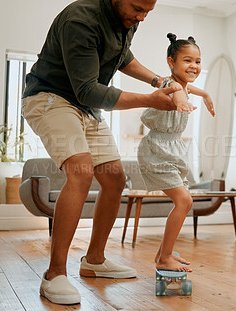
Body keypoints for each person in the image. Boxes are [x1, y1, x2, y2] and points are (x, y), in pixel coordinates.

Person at [21, 0, 184, 305]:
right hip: (51, 97)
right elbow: (89, 90)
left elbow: (123, 57)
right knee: (81, 171)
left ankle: (94, 261)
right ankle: (54, 274)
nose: (142, 17)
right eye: (137, 8)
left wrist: (158, 80)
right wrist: (150, 99)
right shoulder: (80, 20)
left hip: (85, 108)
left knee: (114, 179)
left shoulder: (127, 21)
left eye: (148, 11)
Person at [137, 33, 215, 272]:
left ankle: (163, 254)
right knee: (184, 200)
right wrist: (180, 101)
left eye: (198, 61)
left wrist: (206, 96)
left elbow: (190, 89)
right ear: (171, 62)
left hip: (171, 149)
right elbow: (178, 91)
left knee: (183, 201)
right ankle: (164, 257)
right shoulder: (168, 85)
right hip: (157, 150)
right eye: (187, 61)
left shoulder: (184, 86)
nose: (194, 66)